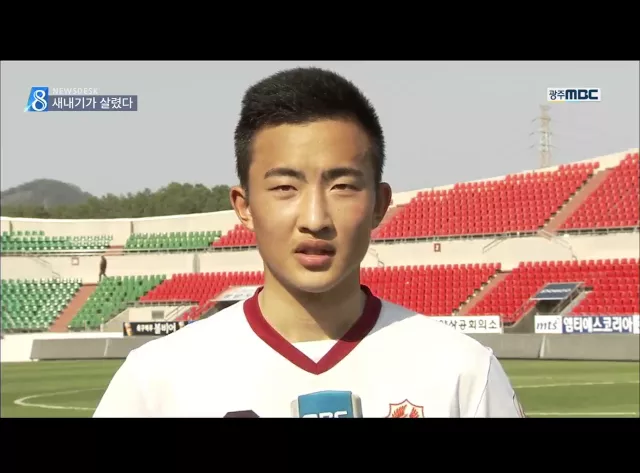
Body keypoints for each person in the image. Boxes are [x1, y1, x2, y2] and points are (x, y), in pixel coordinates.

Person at [93, 67, 525, 418]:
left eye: (343, 186)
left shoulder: (461, 371)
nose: (315, 219)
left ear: (380, 204)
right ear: (244, 206)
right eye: (285, 187)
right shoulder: (155, 380)